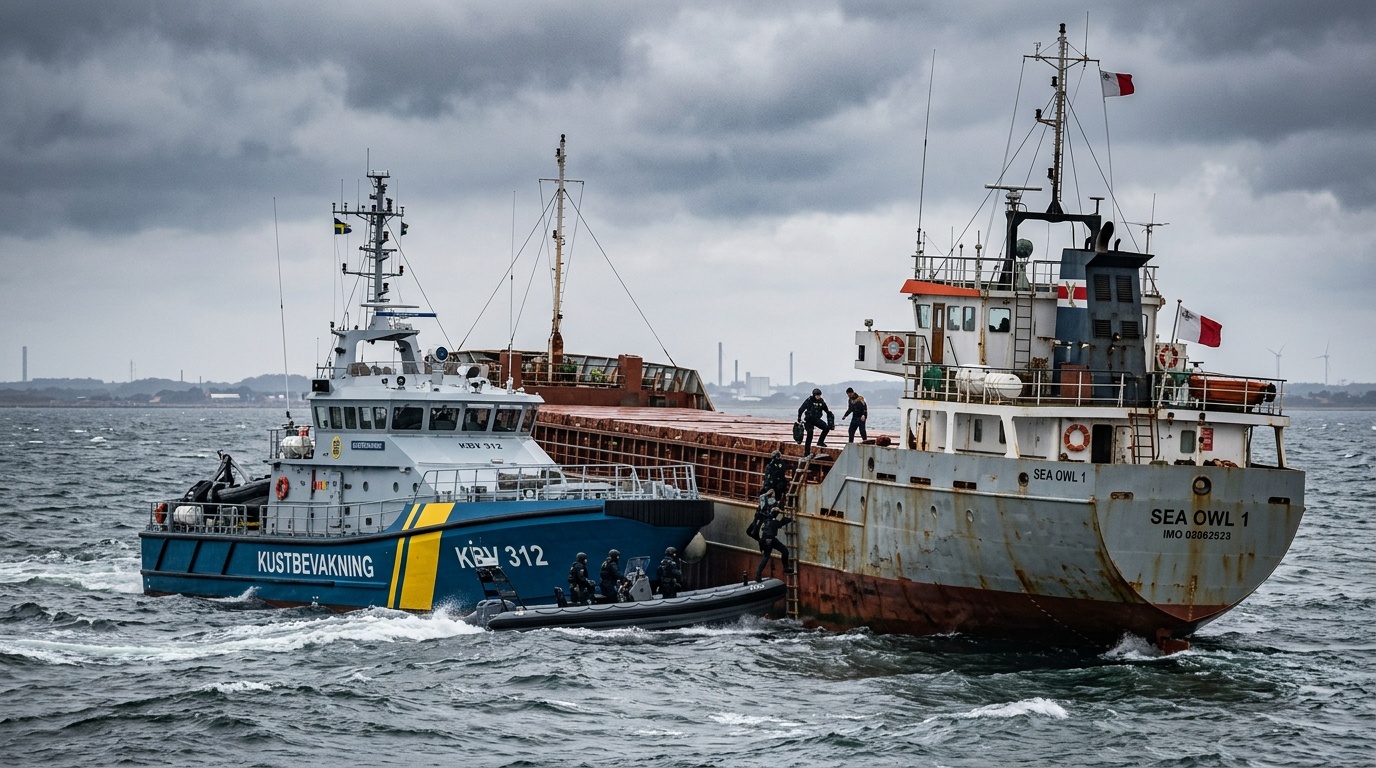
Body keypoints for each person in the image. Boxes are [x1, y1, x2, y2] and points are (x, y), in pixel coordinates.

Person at [755, 509, 793, 582]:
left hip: (766, 540)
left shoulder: (767, 519)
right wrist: (789, 519)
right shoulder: (774, 522)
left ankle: (758, 574)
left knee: (766, 557)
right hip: (770, 540)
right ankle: (785, 568)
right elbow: (781, 523)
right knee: (783, 552)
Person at [796, 388, 834, 454]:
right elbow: (801, 409)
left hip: (816, 419)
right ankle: (807, 452)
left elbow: (827, 410)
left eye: (819, 395)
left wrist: (831, 420)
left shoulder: (821, 401)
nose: (818, 397)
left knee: (826, 428)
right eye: (817, 395)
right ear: (814, 395)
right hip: (809, 420)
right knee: (810, 435)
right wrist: (799, 417)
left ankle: (820, 441)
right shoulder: (809, 400)